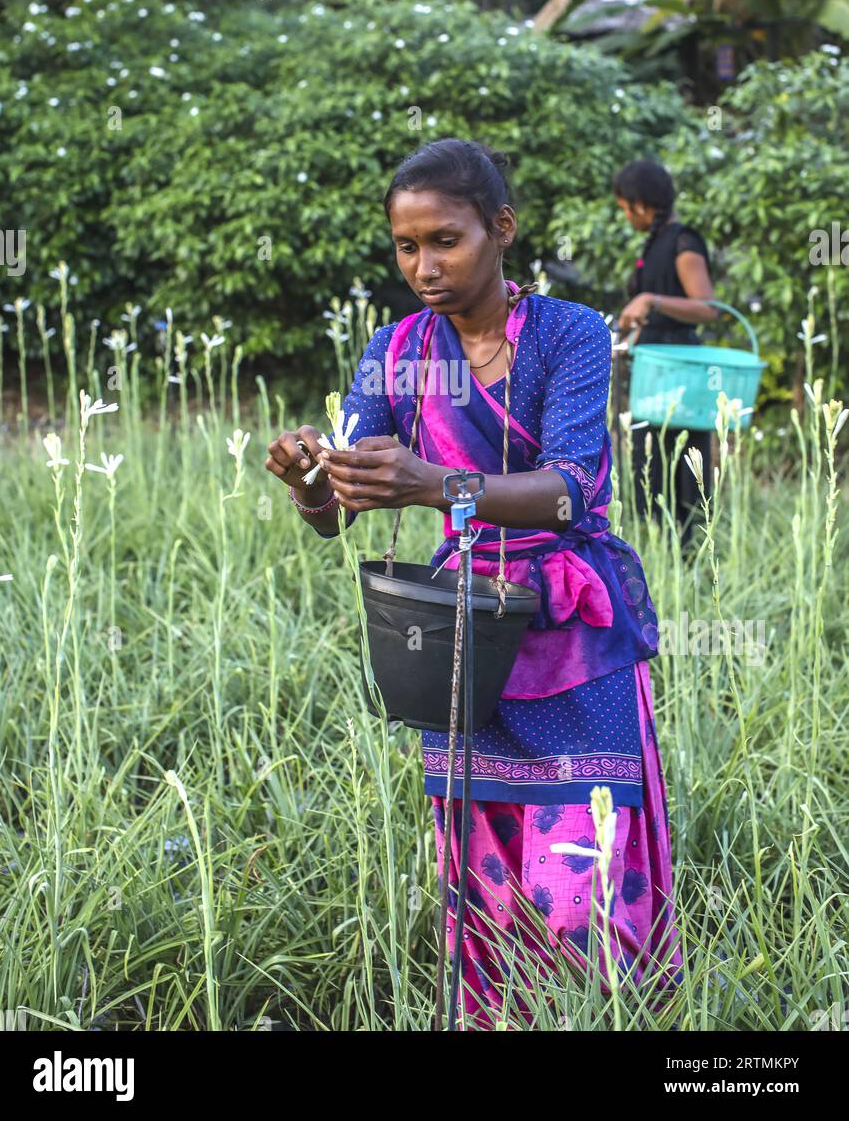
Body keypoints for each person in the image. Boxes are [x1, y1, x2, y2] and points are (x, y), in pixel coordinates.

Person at [266, 138, 685, 1029]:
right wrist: (311, 475)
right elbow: (342, 501)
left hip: (570, 623)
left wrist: (435, 485)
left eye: (445, 241)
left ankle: (611, 1017)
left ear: (501, 230)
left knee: (584, 862)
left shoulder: (569, 334)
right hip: (465, 631)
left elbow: (573, 488)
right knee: (485, 861)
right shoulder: (397, 348)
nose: (424, 267)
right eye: (406, 247)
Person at [614, 158, 718, 553]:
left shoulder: (682, 240)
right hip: (652, 366)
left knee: (682, 461)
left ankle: (690, 550)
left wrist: (650, 298)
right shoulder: (653, 242)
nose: (625, 215)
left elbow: (707, 307)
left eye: (625, 206)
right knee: (648, 457)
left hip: (680, 368)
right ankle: (656, 548)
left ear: (641, 203)